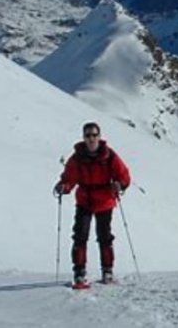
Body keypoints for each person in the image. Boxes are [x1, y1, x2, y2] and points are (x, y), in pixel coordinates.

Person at [54, 122, 131, 286]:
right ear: (84, 138)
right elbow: (69, 178)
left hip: (104, 200)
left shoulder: (109, 156)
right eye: (88, 135)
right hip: (85, 200)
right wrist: (64, 187)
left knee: (105, 237)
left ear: (99, 136)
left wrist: (120, 184)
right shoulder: (77, 158)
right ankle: (79, 273)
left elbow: (123, 174)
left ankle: (107, 271)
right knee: (80, 236)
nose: (91, 138)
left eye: (94, 135)